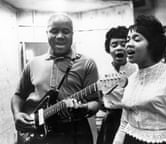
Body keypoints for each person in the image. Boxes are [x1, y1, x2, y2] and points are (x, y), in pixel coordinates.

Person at [11, 13, 100, 144]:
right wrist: (17, 115)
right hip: (37, 131)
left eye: (66, 31)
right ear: (46, 33)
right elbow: (18, 95)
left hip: (74, 132)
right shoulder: (33, 63)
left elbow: (95, 102)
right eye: (54, 31)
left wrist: (84, 108)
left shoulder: (87, 63)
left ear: (72, 34)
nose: (60, 36)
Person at [113, 15, 166, 144]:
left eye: (136, 39)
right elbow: (124, 123)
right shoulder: (130, 80)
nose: (128, 44)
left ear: (152, 44)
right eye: (128, 40)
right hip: (130, 140)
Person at [96, 26, 136, 144]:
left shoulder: (136, 69)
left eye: (123, 44)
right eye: (114, 45)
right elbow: (99, 97)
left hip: (132, 119)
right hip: (110, 120)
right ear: (108, 48)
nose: (119, 48)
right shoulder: (102, 71)